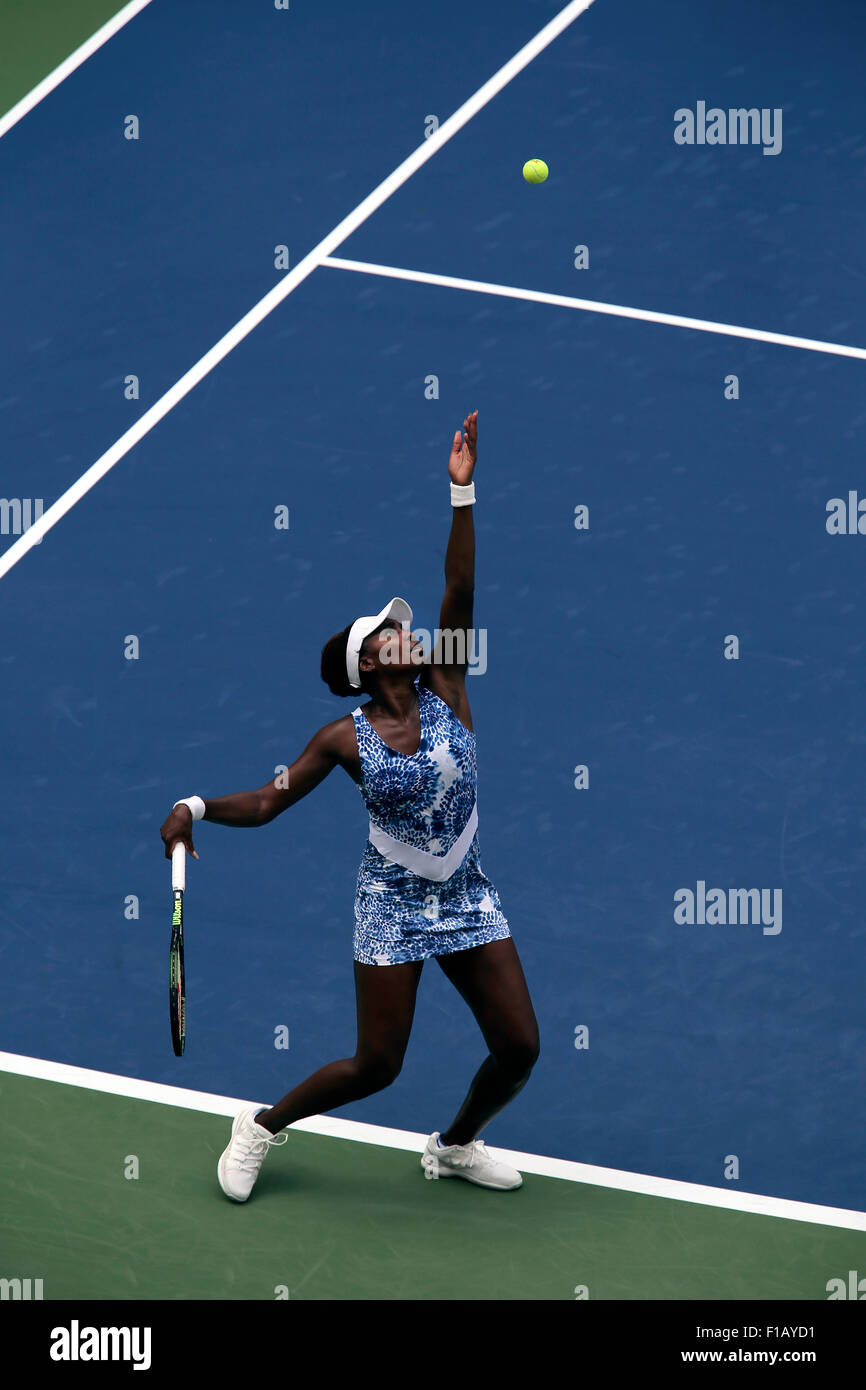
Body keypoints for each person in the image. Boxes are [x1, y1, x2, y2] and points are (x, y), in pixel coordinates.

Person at [160, 411, 540, 1201]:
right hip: (392, 902)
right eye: (388, 634)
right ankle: (260, 1126)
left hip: (466, 891)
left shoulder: (449, 682)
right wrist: (193, 806)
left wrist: (461, 492)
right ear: (368, 663)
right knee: (379, 1065)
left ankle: (456, 1145)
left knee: (520, 1046)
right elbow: (269, 801)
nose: (407, 634)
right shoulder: (344, 738)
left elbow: (459, 588)